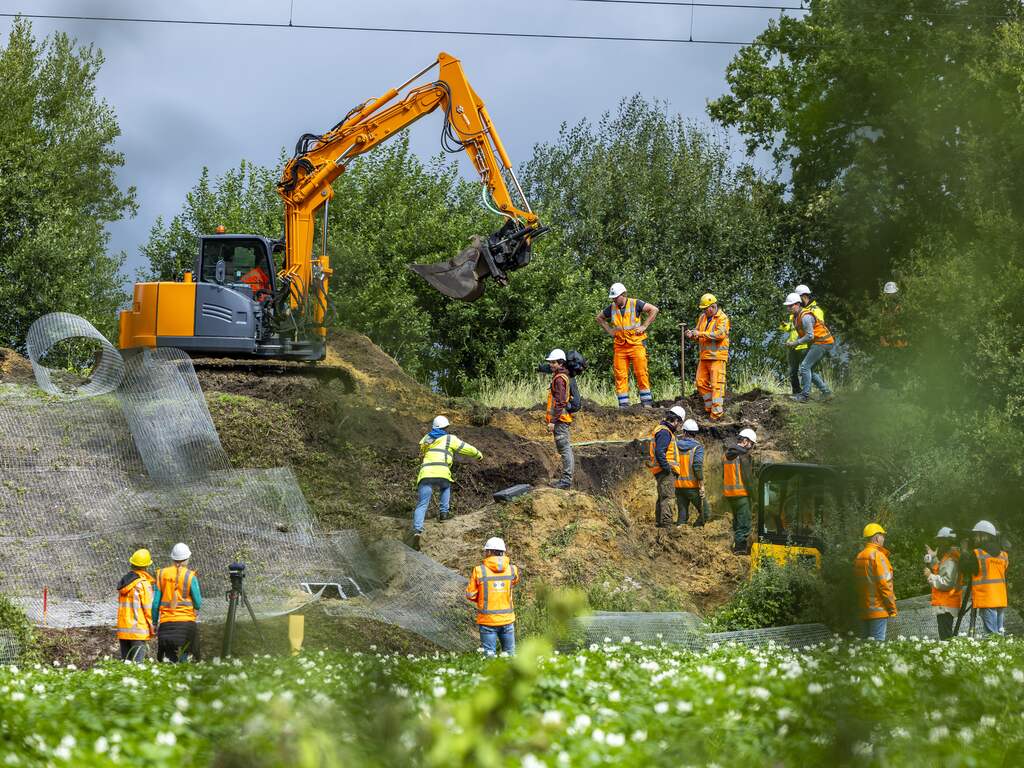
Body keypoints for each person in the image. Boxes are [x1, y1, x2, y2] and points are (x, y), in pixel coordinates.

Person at [411, 415, 483, 550]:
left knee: (422, 504)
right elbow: (466, 448)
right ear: (446, 427)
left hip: (425, 473)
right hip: (442, 472)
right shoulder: (450, 438)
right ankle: (443, 513)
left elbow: (423, 450)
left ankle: (417, 530)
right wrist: (478, 454)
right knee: (445, 487)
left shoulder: (426, 439)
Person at [595, 282, 659, 408]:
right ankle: (623, 405)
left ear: (623, 295)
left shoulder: (636, 303)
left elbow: (654, 309)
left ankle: (646, 402)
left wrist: (644, 326)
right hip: (620, 346)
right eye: (612, 297)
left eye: (616, 297)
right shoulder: (611, 308)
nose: (614, 299)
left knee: (641, 372)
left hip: (636, 344)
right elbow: (599, 318)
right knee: (620, 375)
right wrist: (610, 331)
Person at [465, 537, 520, 656]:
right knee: (510, 656)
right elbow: (513, 582)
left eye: (485, 551)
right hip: (507, 620)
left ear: (489, 552)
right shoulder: (512, 570)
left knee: (489, 657)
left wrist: (483, 597)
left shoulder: (479, 571)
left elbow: (470, 594)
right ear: (503, 552)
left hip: (487, 621)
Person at [152, 542, 202, 662]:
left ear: (173, 558)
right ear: (187, 559)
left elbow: (155, 604)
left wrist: (154, 622)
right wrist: (194, 610)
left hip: (166, 624)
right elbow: (198, 602)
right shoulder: (190, 576)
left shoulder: (161, 574)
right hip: (187, 625)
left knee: (170, 659)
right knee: (185, 655)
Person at [959, 520, 1008, 637]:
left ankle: (995, 654)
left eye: (977, 535)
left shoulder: (978, 554)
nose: (974, 538)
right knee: (999, 634)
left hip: (987, 599)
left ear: (984, 536)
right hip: (1000, 600)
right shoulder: (1003, 555)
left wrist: (964, 551)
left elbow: (965, 569)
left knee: (992, 636)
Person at [784, 292, 834, 403]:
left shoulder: (805, 316)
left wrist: (795, 343)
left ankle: (804, 396)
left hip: (823, 342)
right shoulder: (796, 317)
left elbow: (810, 335)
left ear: (797, 304)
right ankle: (827, 393)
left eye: (790, 305)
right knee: (809, 368)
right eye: (787, 306)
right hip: (818, 342)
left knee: (804, 367)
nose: (788, 308)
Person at [686, 293, 729, 420]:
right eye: (703, 309)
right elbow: (699, 333)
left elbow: (720, 335)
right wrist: (692, 334)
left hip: (717, 357)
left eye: (706, 308)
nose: (704, 311)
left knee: (717, 385)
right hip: (704, 357)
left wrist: (700, 333)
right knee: (700, 383)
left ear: (713, 306)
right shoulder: (702, 317)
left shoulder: (723, 318)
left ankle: (716, 415)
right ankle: (709, 409)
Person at [853, 523, 897, 641]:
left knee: (865, 647)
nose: (884, 539)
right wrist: (892, 608)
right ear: (877, 537)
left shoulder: (859, 556)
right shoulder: (878, 556)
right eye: (882, 536)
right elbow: (885, 585)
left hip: (863, 610)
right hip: (878, 610)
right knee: (877, 648)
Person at [116, 548, 156, 663]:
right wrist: (152, 626)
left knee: (126, 665)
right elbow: (148, 608)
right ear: (146, 566)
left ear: (132, 564)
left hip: (123, 631)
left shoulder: (125, 583)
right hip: (138, 630)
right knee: (138, 666)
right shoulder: (143, 584)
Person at [648, 406, 686, 528]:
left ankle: (660, 523)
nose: (679, 426)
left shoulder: (663, 430)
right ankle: (666, 525)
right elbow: (660, 451)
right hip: (665, 471)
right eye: (679, 423)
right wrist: (667, 468)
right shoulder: (665, 432)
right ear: (676, 420)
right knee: (668, 498)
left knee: (663, 497)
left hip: (661, 471)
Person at [923, 526, 962, 641]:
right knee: (946, 635)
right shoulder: (948, 557)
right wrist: (933, 559)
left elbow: (947, 582)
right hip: (946, 603)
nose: (939, 544)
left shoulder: (950, 559)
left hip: (946, 603)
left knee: (946, 637)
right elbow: (941, 572)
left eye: (940, 541)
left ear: (946, 541)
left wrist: (930, 576)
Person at [723, 428, 757, 553]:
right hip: (742, 494)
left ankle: (734, 546)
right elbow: (748, 479)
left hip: (729, 495)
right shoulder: (743, 455)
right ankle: (740, 550)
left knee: (737, 521)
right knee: (744, 523)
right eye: (751, 444)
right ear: (745, 441)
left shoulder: (726, 454)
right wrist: (755, 497)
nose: (751, 447)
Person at [545, 348, 575, 490]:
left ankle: (566, 481)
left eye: (553, 362)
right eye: (550, 362)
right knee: (564, 449)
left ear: (560, 363)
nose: (550, 365)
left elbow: (561, 402)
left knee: (564, 449)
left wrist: (552, 421)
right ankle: (566, 479)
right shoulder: (562, 376)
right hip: (561, 418)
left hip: (560, 419)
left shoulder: (559, 379)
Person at [675, 418, 711, 527]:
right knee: (706, 512)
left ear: (684, 432)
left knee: (682, 515)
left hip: (678, 486)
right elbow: (697, 466)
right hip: (692, 487)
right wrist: (701, 485)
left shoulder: (675, 446)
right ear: (695, 433)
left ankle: (680, 536)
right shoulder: (697, 447)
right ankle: (696, 530)